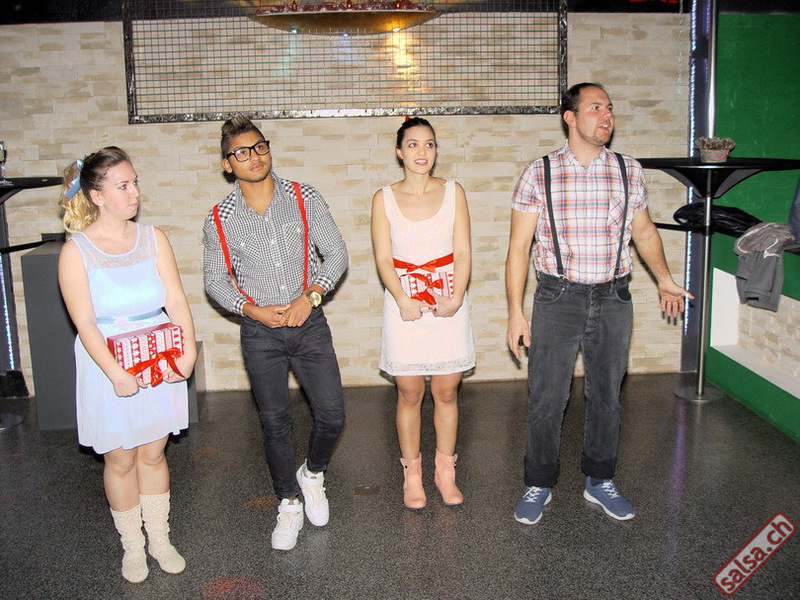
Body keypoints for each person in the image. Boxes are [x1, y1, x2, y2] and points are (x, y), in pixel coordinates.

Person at [505, 83, 692, 525]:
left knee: (607, 396)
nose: (606, 116)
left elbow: (643, 232)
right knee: (548, 397)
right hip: (558, 297)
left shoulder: (629, 170)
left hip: (613, 297)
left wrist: (665, 279)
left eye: (609, 108)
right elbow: (518, 248)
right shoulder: (539, 172)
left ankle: (599, 479)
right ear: (570, 117)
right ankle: (539, 482)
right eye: (595, 108)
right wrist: (515, 312)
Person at [203, 115, 348, 551]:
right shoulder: (220, 218)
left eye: (260, 146)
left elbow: (336, 253)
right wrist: (251, 310)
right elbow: (215, 280)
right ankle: (288, 501)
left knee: (332, 415)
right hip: (260, 332)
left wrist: (312, 295)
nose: (254, 157)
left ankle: (313, 474)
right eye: (242, 152)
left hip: (309, 323)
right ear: (228, 164)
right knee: (274, 423)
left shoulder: (303, 197)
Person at [57, 147, 197, 582]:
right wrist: (116, 373)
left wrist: (188, 353)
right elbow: (84, 323)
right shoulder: (76, 252)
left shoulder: (154, 238)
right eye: (123, 185)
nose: (135, 192)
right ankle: (132, 546)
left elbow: (176, 301)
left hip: (156, 354)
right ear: (97, 196)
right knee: (120, 459)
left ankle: (160, 538)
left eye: (135, 182)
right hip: (109, 363)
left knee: (153, 453)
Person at [371, 117, 475, 509]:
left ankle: (445, 471)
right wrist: (401, 298)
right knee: (410, 392)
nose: (422, 151)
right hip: (404, 302)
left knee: (446, 391)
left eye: (429, 144)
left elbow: (462, 250)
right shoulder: (383, 198)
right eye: (412, 144)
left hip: (448, 299)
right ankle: (411, 474)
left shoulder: (454, 192)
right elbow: (384, 257)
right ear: (399, 152)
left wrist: (457, 295)